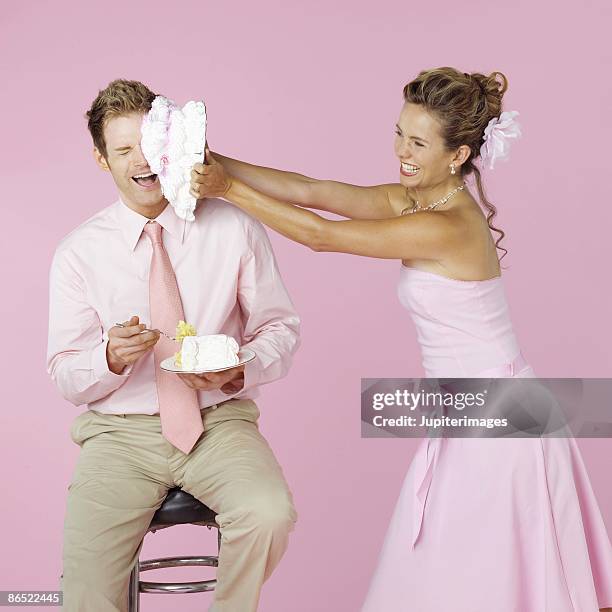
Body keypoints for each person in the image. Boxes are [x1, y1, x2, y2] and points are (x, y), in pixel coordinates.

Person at [190, 67, 612, 611]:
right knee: (457, 572)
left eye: (417, 142)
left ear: (457, 155)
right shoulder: (417, 201)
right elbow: (313, 192)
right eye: (398, 133)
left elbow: (323, 236)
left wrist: (229, 191)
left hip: (504, 421)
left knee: (488, 579)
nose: (402, 150)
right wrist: (218, 161)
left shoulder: (450, 225)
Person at [46, 79, 300, 612]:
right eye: (123, 150)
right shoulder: (77, 253)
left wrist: (237, 369)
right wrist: (110, 358)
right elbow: (67, 375)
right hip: (119, 437)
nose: (143, 162)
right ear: (101, 159)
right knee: (85, 587)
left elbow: (280, 329)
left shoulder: (234, 228)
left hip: (217, 423)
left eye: (151, 145)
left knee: (269, 512)